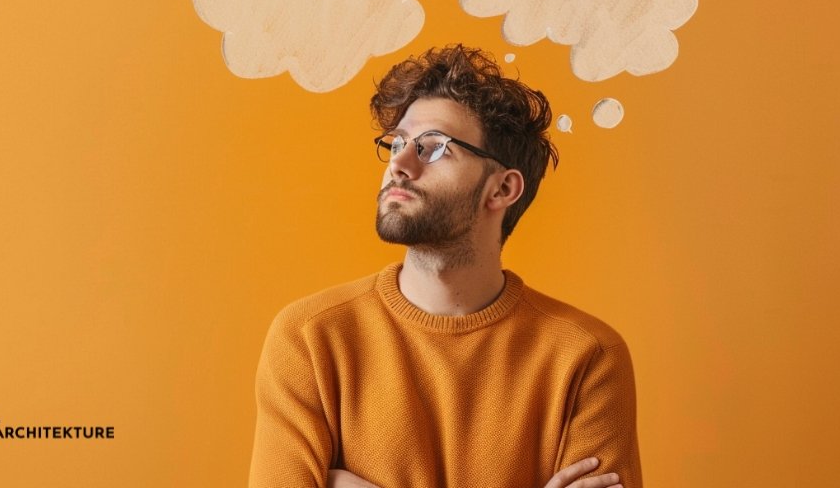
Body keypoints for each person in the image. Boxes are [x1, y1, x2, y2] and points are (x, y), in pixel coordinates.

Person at [248, 45, 642, 488]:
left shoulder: (586, 356)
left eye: (433, 148)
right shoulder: (309, 339)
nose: (399, 164)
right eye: (396, 143)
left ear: (501, 189)